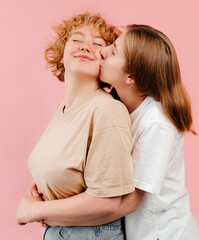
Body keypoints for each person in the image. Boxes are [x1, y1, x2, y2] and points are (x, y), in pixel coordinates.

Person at [18, 24, 199, 240]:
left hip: (163, 234)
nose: (102, 52)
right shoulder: (120, 106)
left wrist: (44, 213)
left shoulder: (156, 124)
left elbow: (126, 203)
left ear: (130, 77)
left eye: (113, 51)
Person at [16, 12, 135, 240]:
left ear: (106, 61)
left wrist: (34, 210)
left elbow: (107, 203)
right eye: (77, 40)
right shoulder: (63, 111)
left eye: (98, 44)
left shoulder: (107, 111)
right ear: (61, 55)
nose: (85, 47)